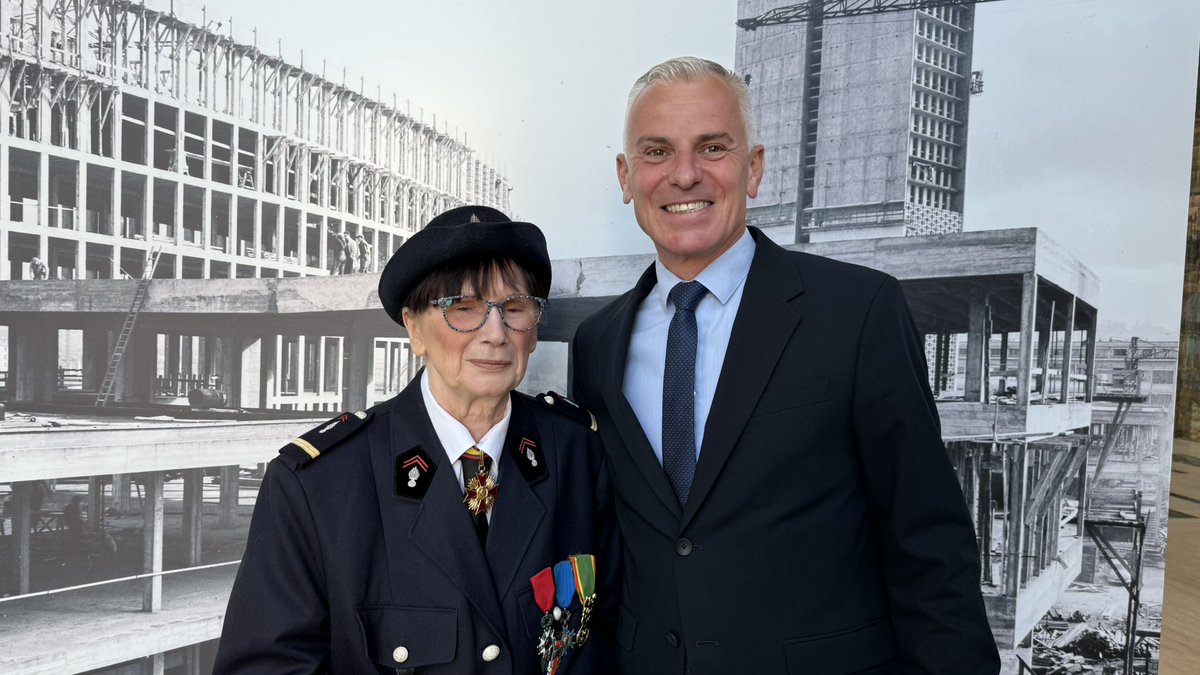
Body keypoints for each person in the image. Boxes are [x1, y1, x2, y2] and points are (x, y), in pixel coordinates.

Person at [571, 57, 999, 674]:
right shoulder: (597, 344)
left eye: (712, 147)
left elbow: (927, 543)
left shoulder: (858, 312)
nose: (684, 174)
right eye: (657, 152)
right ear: (626, 175)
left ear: (754, 168)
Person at [215, 205, 618, 674]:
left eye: (514, 309)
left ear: (533, 329)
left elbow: (608, 637)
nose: (495, 334)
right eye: (462, 309)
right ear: (414, 328)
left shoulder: (577, 455)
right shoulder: (318, 484)